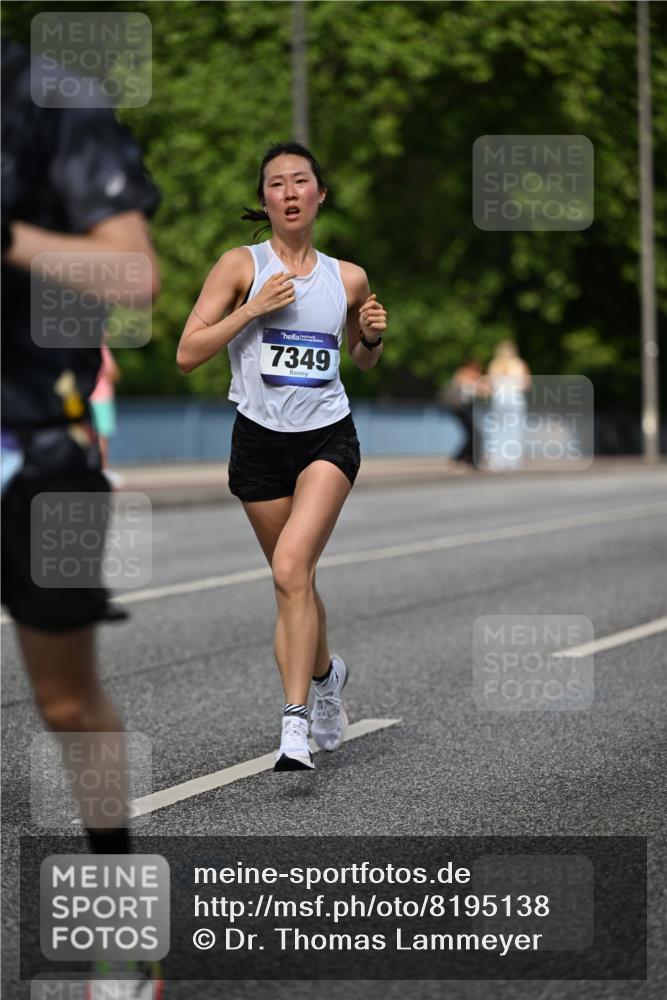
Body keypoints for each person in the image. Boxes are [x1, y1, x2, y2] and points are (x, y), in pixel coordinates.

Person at [1, 37, 162, 999]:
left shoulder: (48, 97)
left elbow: (132, 278)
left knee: (66, 703)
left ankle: (125, 934)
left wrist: (10, 239)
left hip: (39, 450)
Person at [177, 141, 387, 771]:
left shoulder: (347, 277)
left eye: (301, 182)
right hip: (259, 444)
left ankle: (293, 725)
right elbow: (188, 352)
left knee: (291, 565)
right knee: (296, 581)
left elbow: (362, 357)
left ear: (320, 195)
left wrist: (372, 334)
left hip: (328, 436)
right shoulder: (241, 265)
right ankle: (327, 679)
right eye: (276, 184)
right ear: (264, 200)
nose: (290, 192)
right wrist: (252, 309)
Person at [483, 340, 532, 471]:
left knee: (498, 430)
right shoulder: (520, 364)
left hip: (499, 398)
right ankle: (512, 461)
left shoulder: (494, 364)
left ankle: (497, 461)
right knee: (515, 429)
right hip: (515, 398)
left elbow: (489, 385)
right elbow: (527, 384)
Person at [441, 358, 489, 465]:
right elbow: (480, 391)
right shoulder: (463, 375)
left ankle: (467, 458)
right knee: (475, 434)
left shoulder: (469, 377)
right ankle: (462, 458)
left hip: (464, 408)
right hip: (461, 408)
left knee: (472, 434)